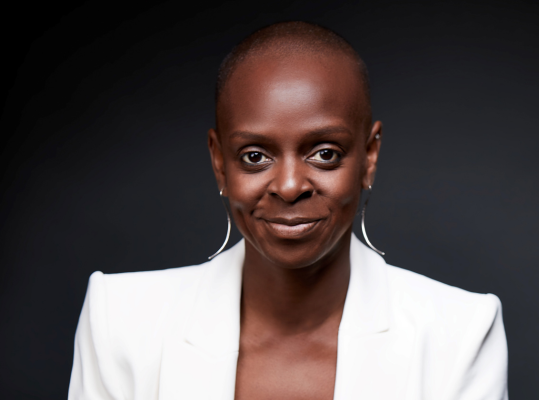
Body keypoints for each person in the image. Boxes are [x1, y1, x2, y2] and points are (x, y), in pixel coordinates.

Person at [68, 21, 508, 400]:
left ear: (369, 156)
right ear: (219, 162)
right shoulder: (121, 321)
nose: (290, 186)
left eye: (325, 153)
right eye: (255, 156)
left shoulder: (461, 333)